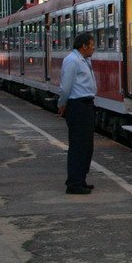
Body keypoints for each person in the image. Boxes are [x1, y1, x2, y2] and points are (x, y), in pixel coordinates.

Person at [58, 32, 97, 195]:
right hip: (77, 105)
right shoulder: (72, 61)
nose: (94, 48)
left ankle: (80, 179)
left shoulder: (84, 60)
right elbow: (66, 86)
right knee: (78, 146)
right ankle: (74, 183)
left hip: (86, 105)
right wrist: (62, 104)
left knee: (87, 146)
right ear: (84, 46)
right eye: (92, 44)